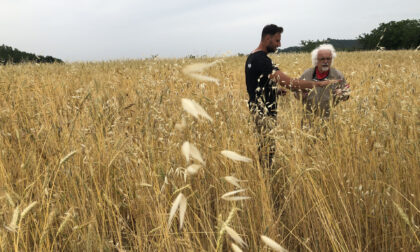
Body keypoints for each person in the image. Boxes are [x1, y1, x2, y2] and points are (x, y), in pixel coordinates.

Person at [245, 24, 337, 171]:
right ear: (267, 38)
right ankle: (265, 180)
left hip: (257, 110)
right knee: (267, 149)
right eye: (277, 40)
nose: (279, 44)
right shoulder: (262, 60)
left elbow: (254, 86)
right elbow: (290, 84)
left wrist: (275, 91)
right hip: (264, 114)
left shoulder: (251, 57)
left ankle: (264, 178)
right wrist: (318, 84)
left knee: (265, 147)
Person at [296, 44, 350, 124]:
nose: (326, 62)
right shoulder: (306, 74)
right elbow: (296, 92)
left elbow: (347, 94)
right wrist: (300, 94)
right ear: (316, 60)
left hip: (329, 120)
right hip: (308, 118)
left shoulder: (338, 75)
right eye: (322, 59)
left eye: (328, 59)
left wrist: (342, 93)